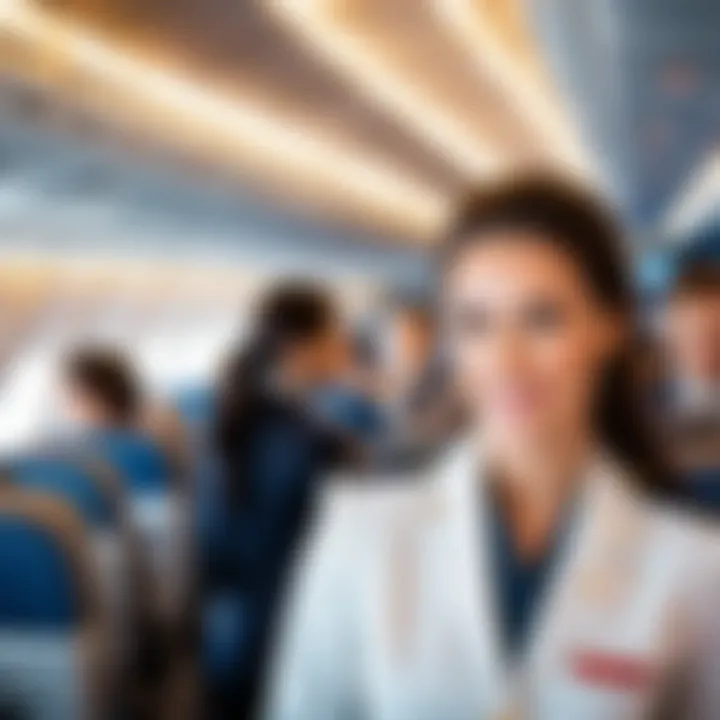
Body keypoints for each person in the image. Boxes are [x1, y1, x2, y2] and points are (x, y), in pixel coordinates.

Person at [264, 176, 720, 720]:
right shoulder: (359, 535)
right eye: (475, 324)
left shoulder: (695, 566)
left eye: (542, 319)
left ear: (610, 328)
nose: (506, 360)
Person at [207, 281, 354, 717]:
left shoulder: (240, 417)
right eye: (335, 333)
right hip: (286, 638)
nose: (343, 344)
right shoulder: (308, 443)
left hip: (232, 633)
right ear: (301, 346)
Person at [374, 296, 463, 470]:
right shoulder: (384, 383)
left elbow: (425, 438)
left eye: (410, 333)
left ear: (430, 337)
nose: (401, 341)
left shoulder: (450, 390)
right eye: (395, 334)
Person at [662, 257, 720, 508]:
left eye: (715, 334)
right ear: (670, 330)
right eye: (694, 333)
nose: (706, 348)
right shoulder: (638, 418)